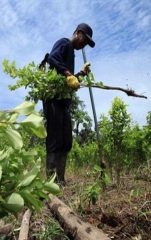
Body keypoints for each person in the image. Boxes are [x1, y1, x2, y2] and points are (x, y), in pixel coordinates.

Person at [43, 23, 95, 185]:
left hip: (64, 104)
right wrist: (68, 74)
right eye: (84, 40)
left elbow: (70, 80)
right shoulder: (64, 43)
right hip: (54, 100)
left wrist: (80, 74)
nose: (84, 44)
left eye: (86, 43)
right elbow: (52, 58)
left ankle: (61, 179)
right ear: (78, 33)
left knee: (66, 142)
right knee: (54, 141)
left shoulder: (71, 53)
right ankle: (51, 183)